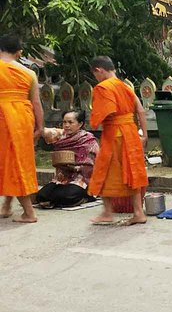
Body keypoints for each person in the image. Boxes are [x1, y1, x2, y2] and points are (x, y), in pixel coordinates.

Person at [87, 56, 148, 226]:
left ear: (99, 70)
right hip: (131, 133)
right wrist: (144, 134)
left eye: (95, 75)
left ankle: (107, 212)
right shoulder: (126, 87)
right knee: (132, 172)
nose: (96, 79)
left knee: (103, 170)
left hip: (115, 134)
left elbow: (103, 114)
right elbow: (140, 110)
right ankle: (138, 212)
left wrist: (95, 119)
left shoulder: (103, 87)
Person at [0, 34, 43, 223]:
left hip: (3, 117)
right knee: (15, 160)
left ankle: (29, 212)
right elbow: (36, 102)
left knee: (12, 162)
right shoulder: (29, 73)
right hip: (23, 120)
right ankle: (7, 205)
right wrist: (40, 127)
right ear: (19, 53)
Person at [37, 110, 99, 208]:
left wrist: (74, 168)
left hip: (82, 179)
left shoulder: (88, 140)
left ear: (80, 124)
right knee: (41, 196)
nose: (66, 125)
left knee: (68, 196)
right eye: (64, 122)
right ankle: (56, 199)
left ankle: (87, 197)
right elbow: (46, 131)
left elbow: (92, 167)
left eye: (70, 122)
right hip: (63, 177)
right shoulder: (61, 136)